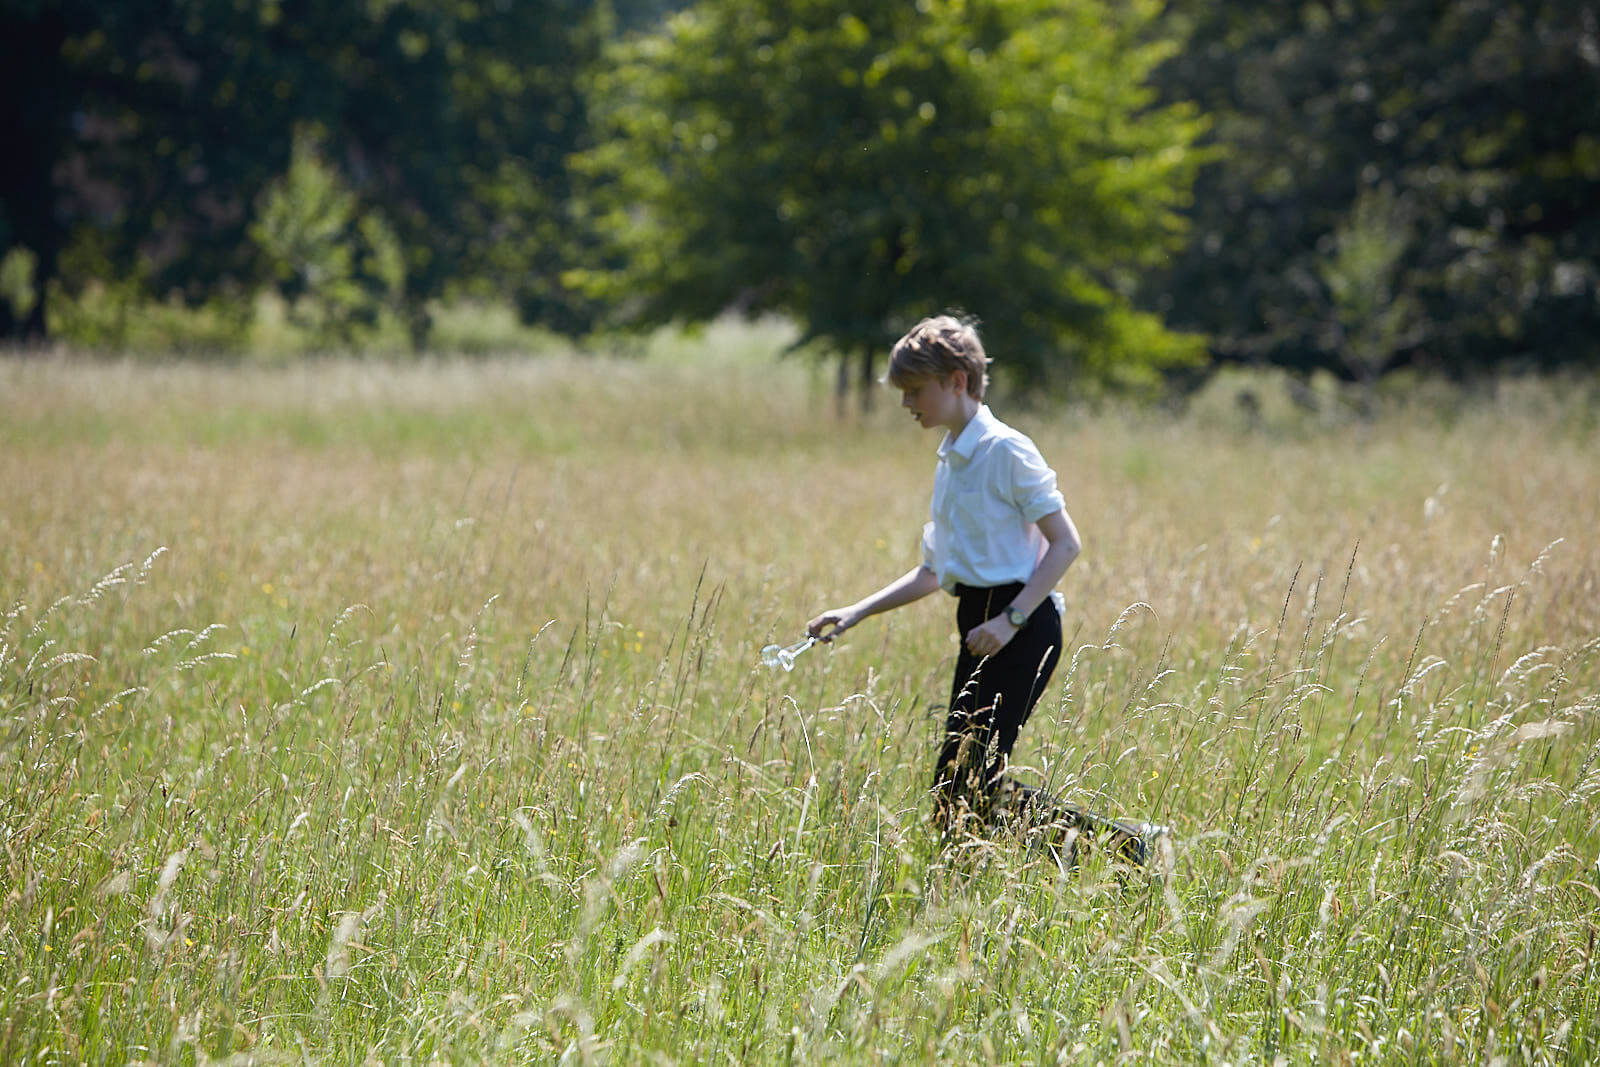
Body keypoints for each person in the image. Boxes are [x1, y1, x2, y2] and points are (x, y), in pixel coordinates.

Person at [807, 315, 1082, 831]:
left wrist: (1010, 621)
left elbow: (1067, 544)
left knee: (964, 788)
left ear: (957, 381)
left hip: (1022, 628)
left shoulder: (1006, 450)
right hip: (978, 627)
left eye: (915, 390)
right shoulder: (952, 459)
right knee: (957, 792)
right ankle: (1120, 852)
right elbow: (935, 573)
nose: (908, 404)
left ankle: (1129, 850)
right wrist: (856, 612)